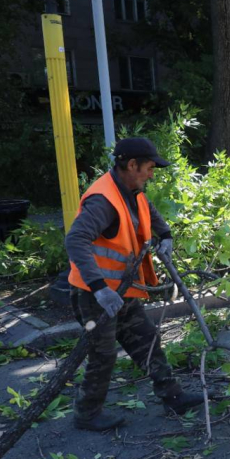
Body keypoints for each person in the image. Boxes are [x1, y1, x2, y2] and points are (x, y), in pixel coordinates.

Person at [65, 137, 205, 431]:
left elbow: (148, 211)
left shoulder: (131, 190)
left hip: (122, 292)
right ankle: (87, 414)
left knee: (147, 341)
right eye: (149, 168)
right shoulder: (103, 200)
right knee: (102, 355)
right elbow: (76, 239)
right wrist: (100, 288)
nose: (152, 174)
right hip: (95, 295)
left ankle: (173, 396)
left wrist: (164, 234)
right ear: (131, 165)